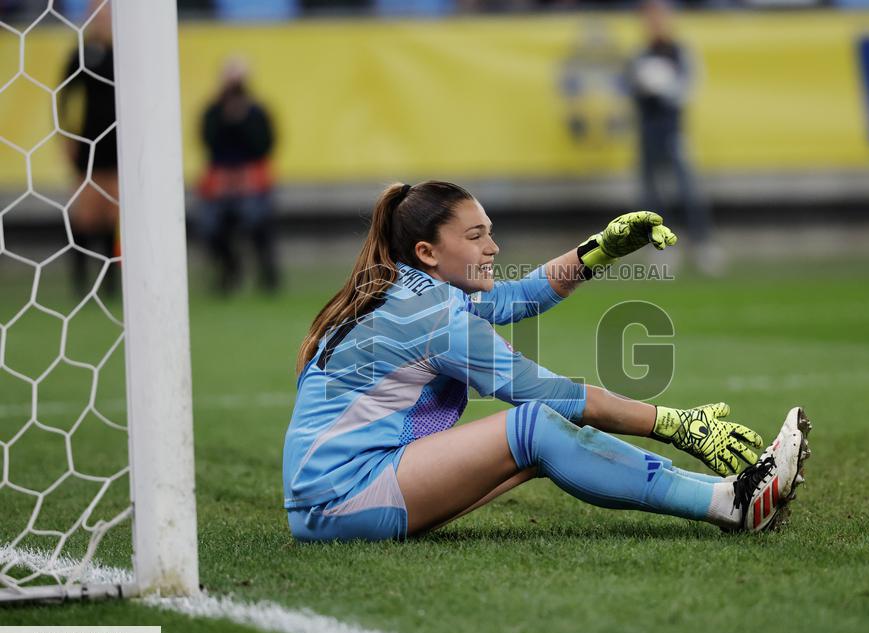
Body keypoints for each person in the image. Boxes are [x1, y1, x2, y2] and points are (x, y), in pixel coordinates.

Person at [283, 181, 812, 543]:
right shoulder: (430, 315)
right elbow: (547, 394)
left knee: (538, 446)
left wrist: (600, 249)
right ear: (427, 251)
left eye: (489, 230)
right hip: (341, 498)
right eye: (475, 236)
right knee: (535, 426)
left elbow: (518, 297)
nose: (493, 247)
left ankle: (732, 501)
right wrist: (674, 424)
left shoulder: (410, 290)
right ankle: (734, 504)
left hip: (334, 496)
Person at [626, 0, 722, 275]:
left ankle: (702, 243)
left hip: (672, 129)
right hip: (648, 131)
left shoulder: (680, 51)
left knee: (686, 188)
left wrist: (664, 86)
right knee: (651, 192)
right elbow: (630, 87)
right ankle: (659, 248)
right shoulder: (640, 53)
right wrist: (643, 85)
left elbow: (689, 87)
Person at [197, 57, 279, 295]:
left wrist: (244, 122)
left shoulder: (257, 112)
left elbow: (264, 145)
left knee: (257, 220)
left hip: (251, 182)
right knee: (209, 227)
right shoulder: (213, 112)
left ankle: (267, 274)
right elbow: (208, 142)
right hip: (221, 185)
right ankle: (229, 269)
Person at [59, 0, 118, 298]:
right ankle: (81, 285)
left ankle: (111, 286)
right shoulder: (80, 54)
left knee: (114, 217)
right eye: (95, 12)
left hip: (119, 148)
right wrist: (65, 137)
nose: (100, 18)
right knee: (83, 216)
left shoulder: (126, 54)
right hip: (88, 148)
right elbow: (63, 97)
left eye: (105, 11)